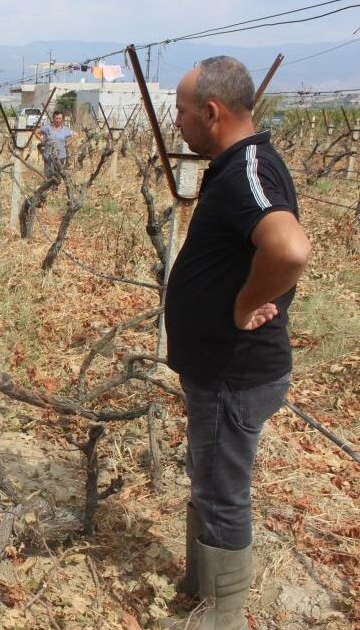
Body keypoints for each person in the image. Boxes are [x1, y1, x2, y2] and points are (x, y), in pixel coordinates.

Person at [164, 56, 311, 629]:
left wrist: (246, 304)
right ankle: (200, 587)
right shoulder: (235, 166)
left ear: (211, 111)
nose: (175, 121)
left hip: (235, 372)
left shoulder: (248, 168)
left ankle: (219, 619)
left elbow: (289, 249)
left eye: (180, 110)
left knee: (224, 495)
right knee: (209, 479)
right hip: (218, 371)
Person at [35, 110, 73, 179]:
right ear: (53, 118)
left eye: (60, 118)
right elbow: (36, 132)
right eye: (56, 118)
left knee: (58, 175)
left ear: (62, 119)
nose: (58, 120)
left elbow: (76, 135)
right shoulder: (47, 128)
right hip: (49, 155)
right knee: (48, 174)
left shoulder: (65, 129)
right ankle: (47, 187)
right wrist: (42, 140)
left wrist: (69, 143)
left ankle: (55, 188)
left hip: (61, 156)